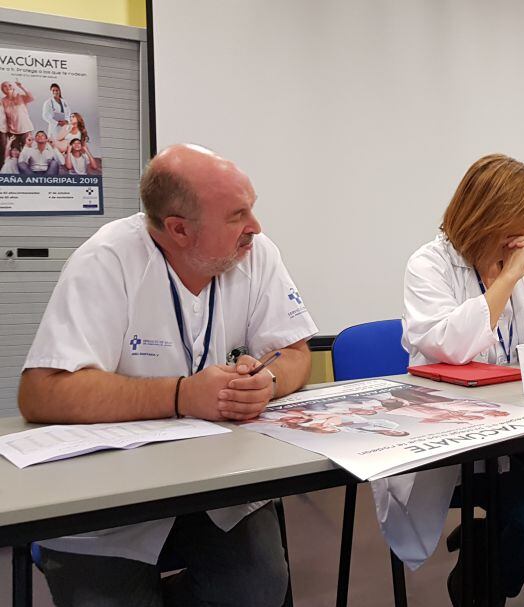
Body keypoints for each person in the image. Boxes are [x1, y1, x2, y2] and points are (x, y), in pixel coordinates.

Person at [18, 143, 318, 607]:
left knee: (257, 591)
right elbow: (42, 393)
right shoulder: (107, 260)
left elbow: (294, 351)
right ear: (179, 229)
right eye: (238, 215)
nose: (255, 227)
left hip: (217, 485)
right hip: (110, 500)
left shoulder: (256, 253)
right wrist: (182, 395)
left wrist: (269, 381)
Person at [383, 153, 524, 606]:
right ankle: (474, 590)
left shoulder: (521, 268)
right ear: (495, 218)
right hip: (455, 435)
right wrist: (506, 279)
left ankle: (485, 546)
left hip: (518, 423)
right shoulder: (430, 264)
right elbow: (451, 345)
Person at [1, 80, 34, 152]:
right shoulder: (2, 101)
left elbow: (31, 97)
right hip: (12, 132)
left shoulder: (20, 97)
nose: (7, 87)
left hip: (25, 130)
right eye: (5, 86)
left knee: (27, 152)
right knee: (15, 154)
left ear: (13, 87)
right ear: (2, 89)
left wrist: (21, 86)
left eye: (9, 85)